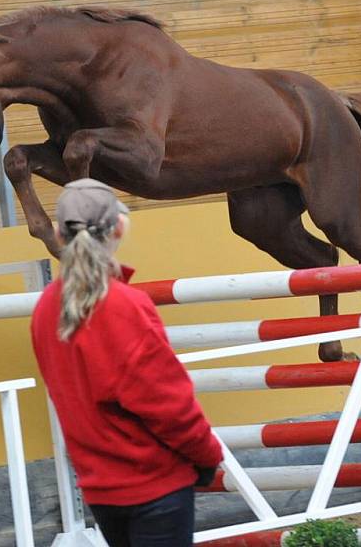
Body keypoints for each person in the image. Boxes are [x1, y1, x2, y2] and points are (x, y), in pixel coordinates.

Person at [30, 178, 223, 547]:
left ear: (57, 231)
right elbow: (169, 405)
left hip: (101, 490)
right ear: (118, 229)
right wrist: (206, 455)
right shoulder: (126, 307)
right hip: (156, 487)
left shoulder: (44, 311)